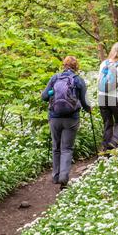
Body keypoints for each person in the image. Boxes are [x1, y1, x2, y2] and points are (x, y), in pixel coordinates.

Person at [41, 56, 91, 189]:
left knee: (56, 147)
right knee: (67, 148)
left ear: (64, 65)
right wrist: (89, 110)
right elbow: (85, 101)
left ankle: (56, 176)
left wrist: (53, 92)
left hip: (54, 117)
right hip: (71, 118)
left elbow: (44, 97)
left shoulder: (55, 78)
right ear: (76, 67)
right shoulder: (78, 80)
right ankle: (64, 177)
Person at [98, 42, 118, 151]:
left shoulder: (103, 64)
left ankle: (105, 149)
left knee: (107, 123)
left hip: (102, 96)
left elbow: (99, 81)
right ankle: (114, 141)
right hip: (117, 97)